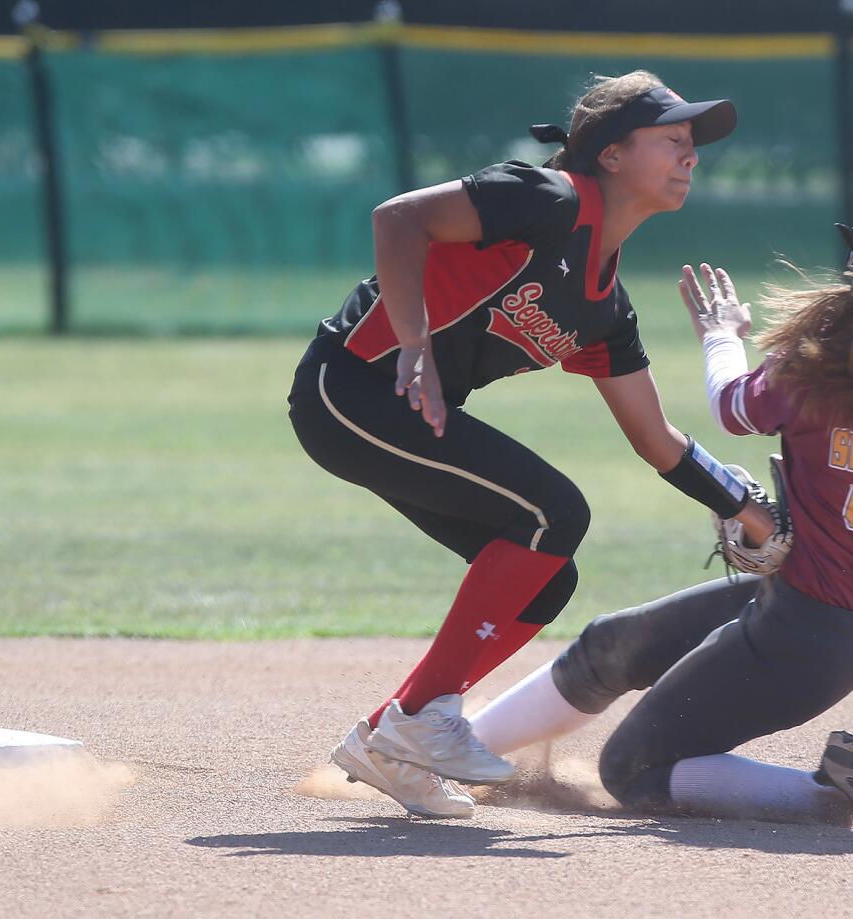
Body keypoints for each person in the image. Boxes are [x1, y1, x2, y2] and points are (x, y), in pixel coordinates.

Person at [466, 157, 853, 826]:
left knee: (630, 769)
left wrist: (719, 333)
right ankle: (451, 751)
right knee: (611, 644)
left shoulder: (830, 357)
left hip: (804, 630)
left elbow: (732, 407)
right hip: (835, 620)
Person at [286, 71, 775, 818]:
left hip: (411, 415)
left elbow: (656, 439)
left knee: (547, 575)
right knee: (554, 510)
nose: (690, 155)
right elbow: (397, 220)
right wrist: (413, 342)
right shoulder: (546, 199)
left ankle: (396, 733)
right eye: (672, 139)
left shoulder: (606, 307)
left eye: (692, 145)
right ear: (610, 154)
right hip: (348, 387)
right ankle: (420, 718)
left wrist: (744, 507)